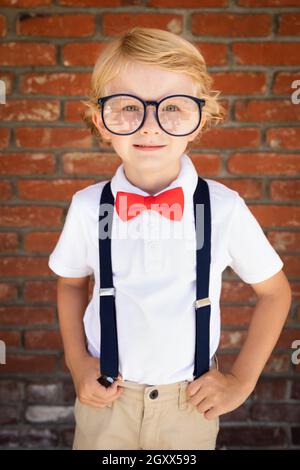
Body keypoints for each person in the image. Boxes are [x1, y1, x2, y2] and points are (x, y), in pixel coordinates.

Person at [48, 27, 292, 450]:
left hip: (189, 404)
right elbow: (71, 284)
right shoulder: (89, 207)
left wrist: (240, 382)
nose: (149, 126)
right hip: (106, 400)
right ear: (99, 121)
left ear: (201, 120)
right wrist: (78, 364)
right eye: (126, 107)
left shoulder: (223, 207)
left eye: (173, 108)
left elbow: (275, 293)